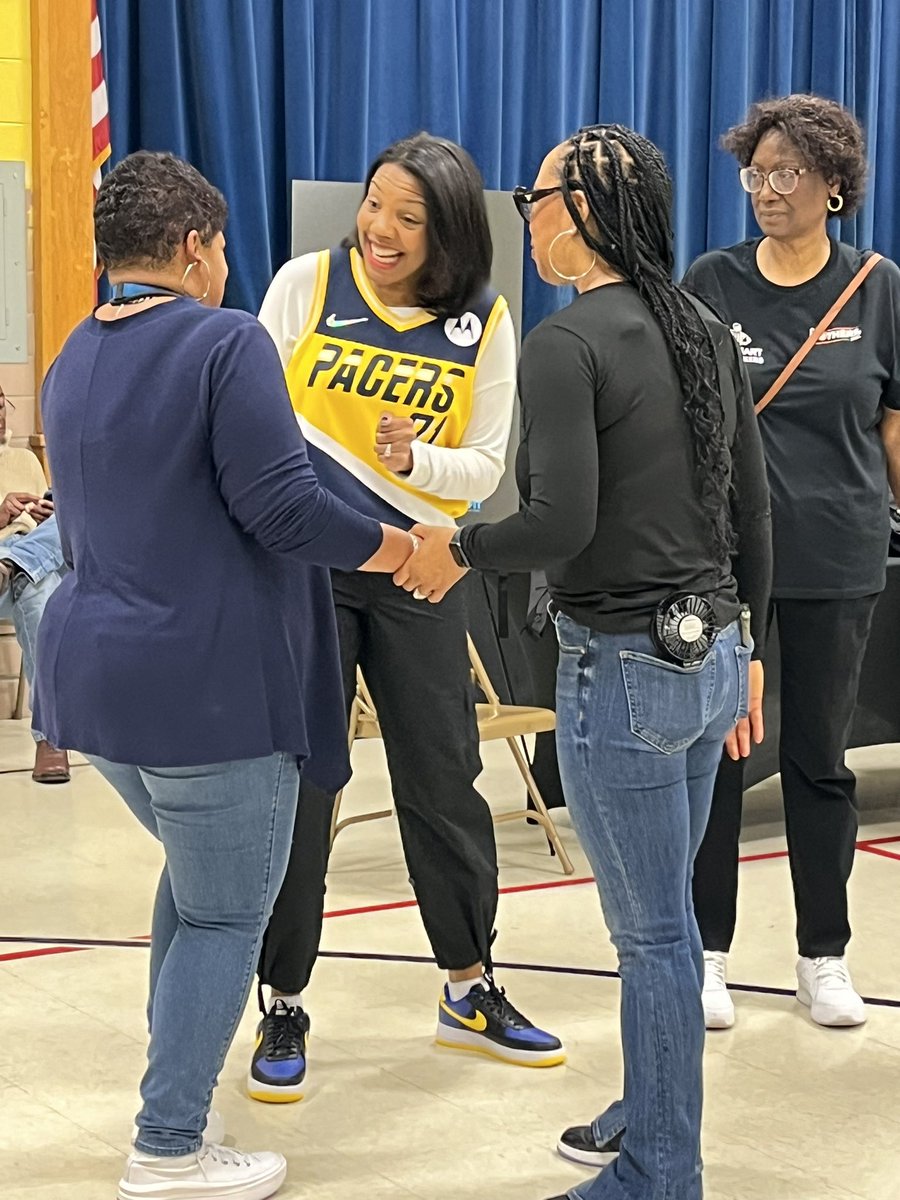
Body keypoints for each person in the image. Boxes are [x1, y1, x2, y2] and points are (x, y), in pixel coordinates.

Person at [32, 151, 419, 1200]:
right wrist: (401, 547)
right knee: (219, 915)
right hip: (207, 693)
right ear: (200, 247)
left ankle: (176, 1096)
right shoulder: (225, 339)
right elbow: (283, 506)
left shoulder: (72, 354)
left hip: (96, 691)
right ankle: (168, 1145)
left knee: (195, 891)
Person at [398, 124, 772, 1200]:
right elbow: (754, 508)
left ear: (586, 209)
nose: (526, 211)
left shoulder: (568, 344)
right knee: (665, 928)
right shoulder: (704, 324)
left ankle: (661, 1170)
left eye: (537, 192)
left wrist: (456, 544)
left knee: (651, 936)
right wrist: (752, 649)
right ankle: (650, 1110)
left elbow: (559, 524)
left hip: (625, 670)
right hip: (706, 657)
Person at [250, 131, 563, 1103]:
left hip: (423, 568)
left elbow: (484, 465)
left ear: (449, 233)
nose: (380, 229)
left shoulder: (484, 319)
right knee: (304, 786)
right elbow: (253, 423)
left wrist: (411, 461)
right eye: (375, 205)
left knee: (445, 778)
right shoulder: (306, 285)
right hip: (309, 567)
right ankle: (282, 998)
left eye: (408, 217)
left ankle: (468, 986)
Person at [683, 94, 900, 1031]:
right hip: (725, 562)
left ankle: (824, 955)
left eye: (787, 175)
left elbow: (894, 422)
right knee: (716, 758)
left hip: (838, 554)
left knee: (819, 759)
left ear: (834, 187)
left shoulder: (879, 286)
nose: (767, 191)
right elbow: (685, 419)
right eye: (755, 173)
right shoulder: (712, 281)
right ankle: (707, 953)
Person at [0, 385, 69, 782]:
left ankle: (14, 562)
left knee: (69, 512)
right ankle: (52, 739)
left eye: (2, 407)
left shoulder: (25, 459)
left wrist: (46, 513)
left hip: (16, 570)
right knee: (40, 588)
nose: (1, 417)